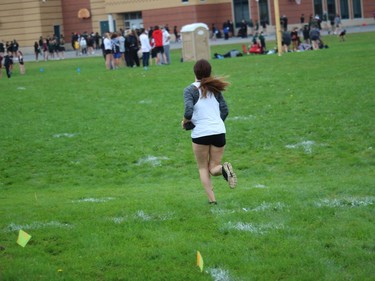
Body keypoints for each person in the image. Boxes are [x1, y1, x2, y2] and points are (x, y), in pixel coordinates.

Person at [182, 59, 237, 204]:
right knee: (214, 168)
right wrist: (217, 124)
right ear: (209, 72)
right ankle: (224, 169)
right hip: (219, 131)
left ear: (195, 72)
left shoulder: (189, 90)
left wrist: (185, 122)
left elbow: (188, 111)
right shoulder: (215, 89)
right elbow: (225, 110)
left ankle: (212, 201)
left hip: (201, 133)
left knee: (202, 168)